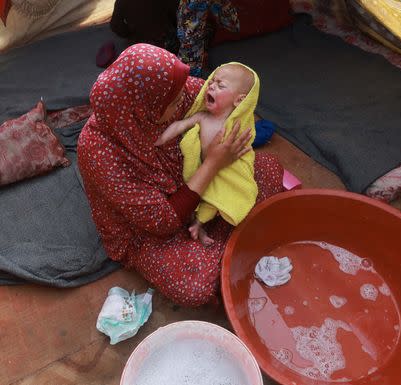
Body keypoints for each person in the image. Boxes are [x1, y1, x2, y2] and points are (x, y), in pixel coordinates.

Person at [78, 44, 284, 306]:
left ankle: (221, 243)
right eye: (173, 102)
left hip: (199, 187)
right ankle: (232, 240)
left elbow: (232, 103)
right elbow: (161, 222)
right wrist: (213, 165)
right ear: (145, 108)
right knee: (194, 286)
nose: (182, 102)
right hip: (150, 230)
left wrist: (232, 125)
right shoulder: (99, 149)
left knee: (268, 169)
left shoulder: (177, 92)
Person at [155, 62, 259, 246]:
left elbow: (244, 147)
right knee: (195, 200)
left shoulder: (236, 126)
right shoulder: (203, 117)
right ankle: (198, 226)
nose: (211, 86)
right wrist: (159, 140)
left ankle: (199, 224)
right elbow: (179, 126)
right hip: (202, 170)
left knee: (214, 202)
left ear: (239, 101)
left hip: (225, 173)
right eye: (212, 81)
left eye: (221, 85)